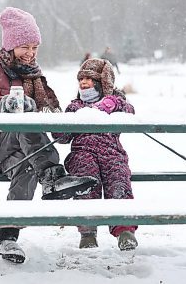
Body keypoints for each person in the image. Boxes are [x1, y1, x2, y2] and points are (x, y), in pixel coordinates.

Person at [0, 7, 98, 264]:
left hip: (19, 148)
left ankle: (7, 238)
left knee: (28, 166)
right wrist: (4, 104)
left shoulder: (31, 75)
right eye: (25, 46)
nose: (31, 53)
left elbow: (49, 110)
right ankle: (53, 176)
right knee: (22, 117)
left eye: (35, 47)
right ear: (10, 44)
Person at [53, 58, 138, 251]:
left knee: (118, 182)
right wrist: (59, 123)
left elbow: (131, 113)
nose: (83, 82)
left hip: (112, 152)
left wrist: (114, 103)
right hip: (83, 152)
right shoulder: (75, 106)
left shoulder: (116, 103)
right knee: (86, 180)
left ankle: (125, 230)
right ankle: (88, 231)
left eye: (89, 79)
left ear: (102, 83)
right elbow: (62, 138)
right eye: (81, 79)